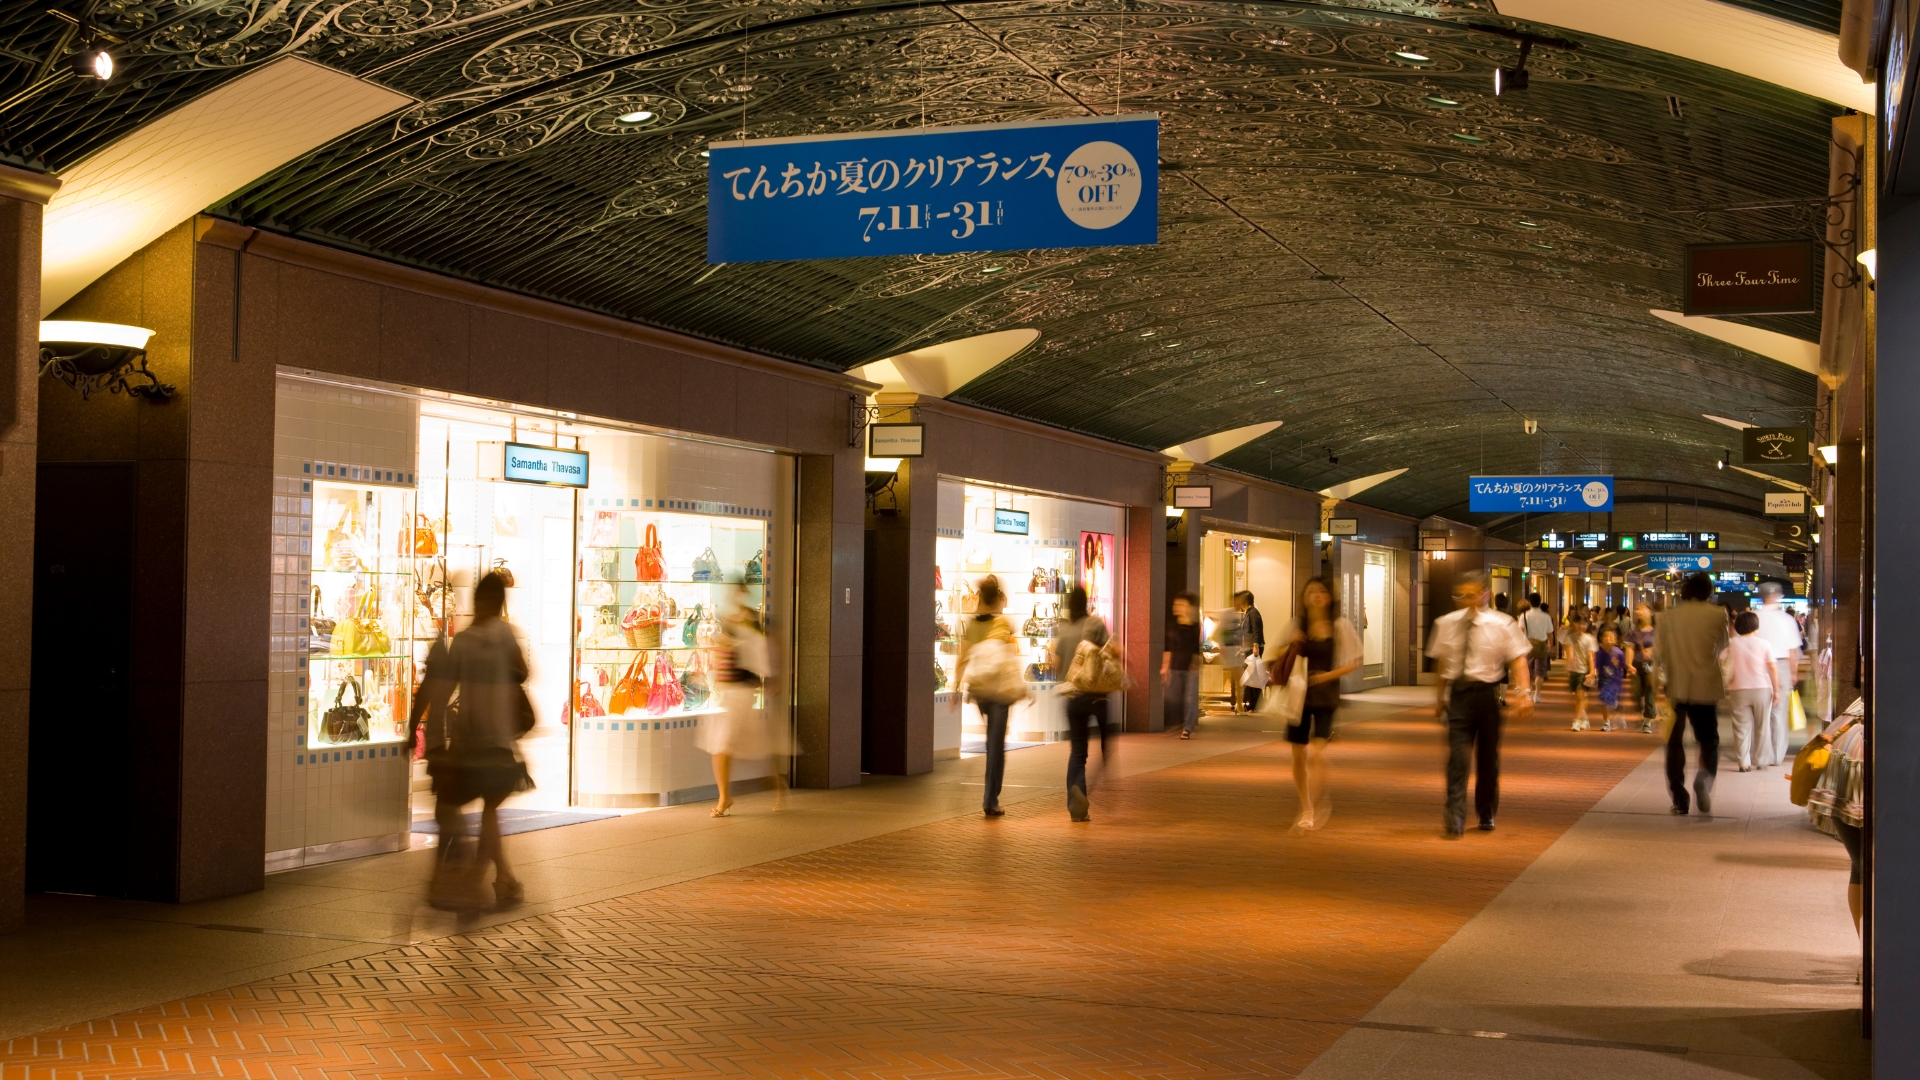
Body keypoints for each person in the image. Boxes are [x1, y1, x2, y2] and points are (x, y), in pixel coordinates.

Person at [423, 571, 533, 911]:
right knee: (490, 808)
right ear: (501, 603)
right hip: (499, 740)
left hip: (468, 740)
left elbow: (442, 691)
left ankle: (501, 877)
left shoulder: (465, 640)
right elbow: (523, 673)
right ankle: (481, 880)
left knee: (463, 808)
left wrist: (433, 737)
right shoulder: (506, 636)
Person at [1427, 570, 1533, 837]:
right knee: (1458, 758)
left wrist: (1524, 693)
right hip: (1459, 696)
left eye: (1471, 594)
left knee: (1488, 759)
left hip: (1487, 696)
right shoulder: (1446, 623)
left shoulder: (1502, 623)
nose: (1466, 600)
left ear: (1485, 593)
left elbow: (1518, 659)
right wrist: (1440, 697)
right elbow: (1441, 663)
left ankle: (1486, 811)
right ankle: (1454, 815)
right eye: (1460, 595)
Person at [1270, 577, 1359, 833]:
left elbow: (1353, 661)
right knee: (1298, 754)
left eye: (1322, 591)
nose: (1317, 596)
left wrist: (1325, 676)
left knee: (1319, 751)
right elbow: (1276, 652)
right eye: (1312, 592)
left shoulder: (1339, 626)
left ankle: (1319, 801)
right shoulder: (1297, 624)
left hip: (1325, 697)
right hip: (1298, 696)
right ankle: (1306, 806)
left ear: (1329, 597)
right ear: (1305, 597)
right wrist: (1291, 643)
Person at [699, 585, 787, 816]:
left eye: (736, 591)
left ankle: (776, 784)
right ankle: (725, 796)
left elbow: (760, 653)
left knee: (734, 745)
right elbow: (723, 654)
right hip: (728, 692)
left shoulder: (750, 622)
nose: (732, 596)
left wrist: (769, 678)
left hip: (742, 693)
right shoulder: (729, 622)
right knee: (723, 746)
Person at [1655, 572, 1729, 815]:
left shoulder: (1669, 616)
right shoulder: (1718, 614)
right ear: (1708, 592)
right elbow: (1722, 646)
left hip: (1676, 686)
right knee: (1709, 740)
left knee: (1674, 743)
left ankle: (1680, 798)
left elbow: (1660, 652)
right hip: (1705, 686)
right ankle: (1704, 779)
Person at [955, 579, 1018, 817]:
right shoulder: (1003, 623)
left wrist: (955, 686)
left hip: (980, 691)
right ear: (998, 599)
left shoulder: (972, 624)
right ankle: (990, 800)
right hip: (999, 692)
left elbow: (963, 657)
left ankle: (990, 797)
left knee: (991, 740)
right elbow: (1009, 656)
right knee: (995, 745)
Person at [1053, 587, 1111, 822]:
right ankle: (1103, 771)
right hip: (1096, 696)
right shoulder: (1095, 625)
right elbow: (1109, 655)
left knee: (1077, 751)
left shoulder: (1064, 630)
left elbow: (1057, 665)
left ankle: (1077, 804)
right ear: (1085, 602)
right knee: (1108, 740)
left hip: (1071, 698)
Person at [1753, 583, 1803, 768]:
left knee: (1759, 713)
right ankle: (1776, 756)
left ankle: (1760, 755)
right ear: (1778, 597)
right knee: (1779, 714)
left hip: (1757, 666)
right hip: (1780, 666)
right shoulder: (1787, 620)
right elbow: (1792, 651)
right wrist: (1793, 673)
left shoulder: (1754, 617)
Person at [1723, 609, 1779, 772]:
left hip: (1738, 690)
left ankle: (1744, 763)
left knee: (1741, 727)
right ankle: (1761, 760)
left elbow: (1722, 662)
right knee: (1763, 726)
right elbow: (1772, 668)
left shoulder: (1731, 643)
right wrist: (1776, 691)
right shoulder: (1764, 644)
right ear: (1756, 626)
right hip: (1762, 688)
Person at [1162, 594, 1201, 739]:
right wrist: (1165, 666)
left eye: (1181, 604)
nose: (1177, 607)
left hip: (1190, 667)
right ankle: (1179, 723)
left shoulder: (1195, 626)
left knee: (1190, 698)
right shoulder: (1172, 626)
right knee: (1173, 698)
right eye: (1176, 604)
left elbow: (1197, 648)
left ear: (1189, 607)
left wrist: (1195, 664)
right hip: (1175, 666)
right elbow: (1168, 647)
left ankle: (1187, 728)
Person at [1627, 604, 1658, 733]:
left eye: (1642, 608)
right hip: (1637, 665)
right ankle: (1642, 712)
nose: (1639, 611)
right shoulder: (1633, 632)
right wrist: (1628, 664)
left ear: (1651, 612)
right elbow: (1630, 648)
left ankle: (1648, 721)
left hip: (1652, 665)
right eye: (1637, 609)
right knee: (1636, 692)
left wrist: (1653, 651)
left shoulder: (1657, 631)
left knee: (1649, 693)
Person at [1235, 590, 1267, 713]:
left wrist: (1255, 646)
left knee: (1254, 677)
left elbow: (1256, 630)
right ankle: (1253, 704)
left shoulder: (1253, 613)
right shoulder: (1248, 612)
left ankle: (1255, 704)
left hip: (1254, 648)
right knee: (1252, 676)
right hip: (1249, 648)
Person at [1212, 602, 1247, 713]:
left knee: (1238, 679)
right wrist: (1223, 646)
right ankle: (1239, 706)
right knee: (1239, 679)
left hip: (1234, 652)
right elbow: (1216, 635)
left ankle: (1239, 706)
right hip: (1230, 652)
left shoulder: (1234, 617)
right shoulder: (1228, 615)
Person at [1520, 593, 1554, 703]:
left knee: (1528, 671)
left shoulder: (1524, 615)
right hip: (1541, 645)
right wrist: (1550, 646)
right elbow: (1550, 633)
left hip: (1528, 646)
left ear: (1529, 602)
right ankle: (1537, 693)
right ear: (1540, 602)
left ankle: (1529, 693)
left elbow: (1520, 631)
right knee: (1539, 672)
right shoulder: (1546, 616)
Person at [1592, 627, 1627, 731]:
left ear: (1615, 640)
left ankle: (1618, 709)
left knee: (1612, 703)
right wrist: (1593, 675)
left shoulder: (1619, 653)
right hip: (1603, 680)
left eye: (1611, 637)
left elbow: (1623, 665)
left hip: (1615, 682)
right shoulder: (1600, 653)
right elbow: (1597, 666)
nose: (1608, 639)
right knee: (1604, 701)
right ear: (1601, 639)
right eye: (1606, 637)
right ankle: (1606, 722)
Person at [1565, 617, 1596, 730]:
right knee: (1575, 698)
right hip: (1574, 671)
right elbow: (1569, 652)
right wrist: (1571, 660)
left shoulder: (1589, 639)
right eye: (1580, 623)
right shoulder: (1570, 638)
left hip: (1584, 671)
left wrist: (1592, 671)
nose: (1582, 626)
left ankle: (1577, 721)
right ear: (1574, 623)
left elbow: (1590, 656)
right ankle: (1583, 717)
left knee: (1580, 695)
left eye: (1584, 624)